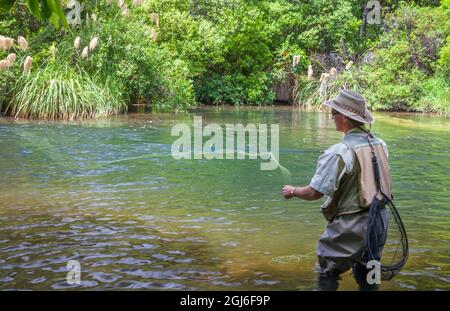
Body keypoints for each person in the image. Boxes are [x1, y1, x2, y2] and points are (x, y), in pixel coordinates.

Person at [282, 89, 390, 291]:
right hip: (381, 219)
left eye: (333, 114)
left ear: (344, 119)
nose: (331, 117)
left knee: (328, 268)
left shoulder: (339, 152)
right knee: (370, 268)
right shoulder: (380, 145)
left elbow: (314, 193)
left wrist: (293, 191)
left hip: (353, 223)